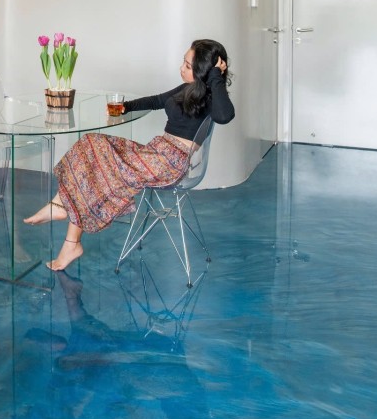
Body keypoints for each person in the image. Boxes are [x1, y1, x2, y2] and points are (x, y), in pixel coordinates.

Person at [24, 38, 235, 271]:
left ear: (203, 71)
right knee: (90, 145)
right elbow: (157, 100)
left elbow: (224, 116)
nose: (181, 68)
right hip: (156, 152)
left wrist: (215, 75)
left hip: (170, 164)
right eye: (183, 62)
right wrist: (126, 107)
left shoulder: (212, 97)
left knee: (96, 161)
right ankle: (63, 220)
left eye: (187, 66)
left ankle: (64, 220)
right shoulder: (189, 89)